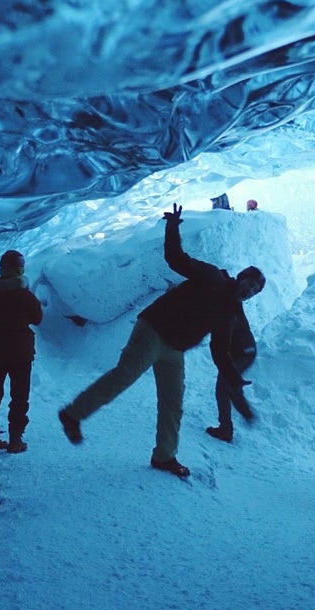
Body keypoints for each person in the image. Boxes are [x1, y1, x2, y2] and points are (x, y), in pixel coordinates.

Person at [58, 204, 265, 479]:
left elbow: (219, 349)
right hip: (153, 331)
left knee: (172, 402)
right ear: (241, 277)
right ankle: (73, 414)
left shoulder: (230, 313)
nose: (249, 291)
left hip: (175, 349)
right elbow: (176, 259)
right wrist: (172, 227)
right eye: (249, 284)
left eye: (255, 291)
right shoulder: (212, 277)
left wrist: (235, 383)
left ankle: (164, 457)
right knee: (123, 377)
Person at [0, 249, 43, 454]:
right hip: (21, 352)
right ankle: (15, 439)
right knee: (19, 395)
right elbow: (37, 318)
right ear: (18, 269)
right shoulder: (25, 296)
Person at [206, 307, 257, 444]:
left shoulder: (221, 303)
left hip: (238, 352)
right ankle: (242, 414)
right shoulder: (231, 299)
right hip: (247, 349)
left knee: (223, 389)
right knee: (228, 385)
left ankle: (226, 429)